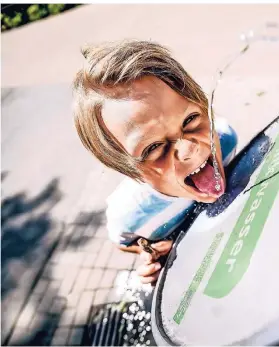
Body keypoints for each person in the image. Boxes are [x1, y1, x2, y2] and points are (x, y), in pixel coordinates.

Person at [72, 39, 238, 284]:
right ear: (126, 169)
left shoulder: (224, 140)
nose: (189, 149)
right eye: (153, 148)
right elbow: (124, 241)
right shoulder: (130, 215)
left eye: (191, 119)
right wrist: (150, 251)